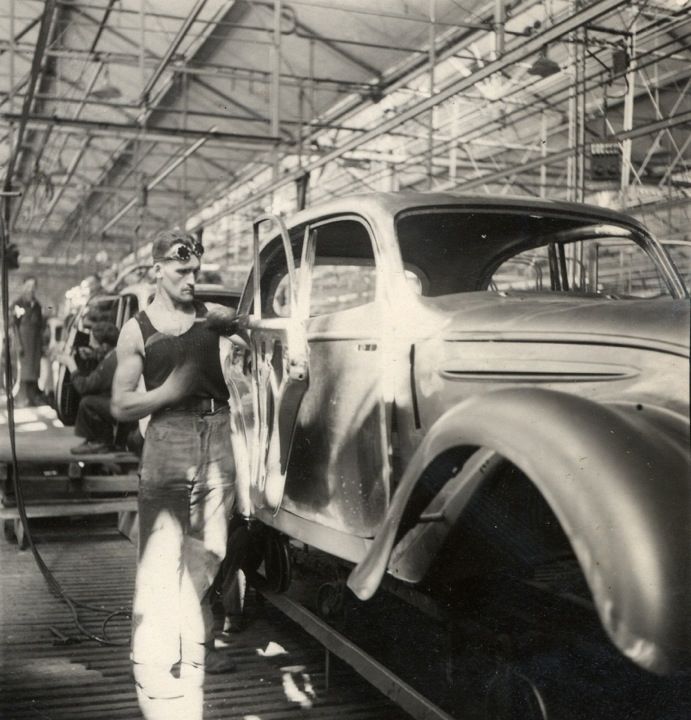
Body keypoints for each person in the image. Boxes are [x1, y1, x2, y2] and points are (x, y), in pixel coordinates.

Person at [111, 229, 242, 720]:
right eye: (182, 270)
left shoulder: (211, 318)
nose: (192, 279)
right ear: (157, 270)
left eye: (196, 270)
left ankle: (190, 652)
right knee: (161, 556)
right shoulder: (138, 329)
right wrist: (167, 393)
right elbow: (121, 404)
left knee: (208, 552)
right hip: (169, 439)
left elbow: (259, 344)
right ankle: (150, 661)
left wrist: (242, 324)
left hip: (219, 433)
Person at [57, 321, 120, 455]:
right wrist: (93, 354)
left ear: (104, 346)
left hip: (117, 406)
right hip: (116, 400)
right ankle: (95, 440)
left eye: (93, 343)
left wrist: (71, 364)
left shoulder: (109, 364)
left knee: (87, 402)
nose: (90, 344)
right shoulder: (115, 355)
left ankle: (100, 441)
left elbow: (84, 387)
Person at [11, 275, 45, 407]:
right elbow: (14, 327)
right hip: (23, 343)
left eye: (33, 286)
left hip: (35, 343)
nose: (31, 289)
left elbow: (41, 324)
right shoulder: (17, 304)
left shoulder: (37, 305)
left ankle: (32, 397)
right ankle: (21, 399)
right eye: (28, 286)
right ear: (23, 287)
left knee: (34, 370)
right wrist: (18, 344)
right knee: (23, 371)